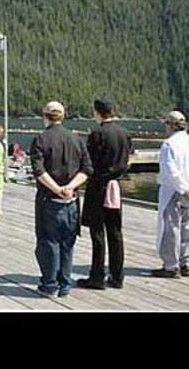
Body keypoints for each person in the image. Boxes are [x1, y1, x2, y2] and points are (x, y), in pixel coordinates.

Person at [30, 101, 93, 298]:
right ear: (62, 117)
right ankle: (64, 284)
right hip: (72, 200)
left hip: (49, 199)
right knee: (67, 243)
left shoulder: (41, 139)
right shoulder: (77, 139)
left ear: (45, 116)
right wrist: (70, 187)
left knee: (48, 243)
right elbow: (87, 169)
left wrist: (57, 189)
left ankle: (49, 285)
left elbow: (39, 171)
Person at [78, 98, 132, 290]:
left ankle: (97, 276)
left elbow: (89, 163)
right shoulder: (124, 133)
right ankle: (117, 276)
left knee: (97, 232)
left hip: (99, 187)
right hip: (115, 186)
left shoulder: (97, 133)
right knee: (116, 232)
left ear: (97, 112)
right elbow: (127, 159)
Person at [153, 110, 189, 278]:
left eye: (166, 124)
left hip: (173, 191)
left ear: (171, 125)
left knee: (171, 229)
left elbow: (171, 171)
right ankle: (185, 262)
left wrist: (184, 188)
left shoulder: (169, 145)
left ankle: (171, 266)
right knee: (188, 228)